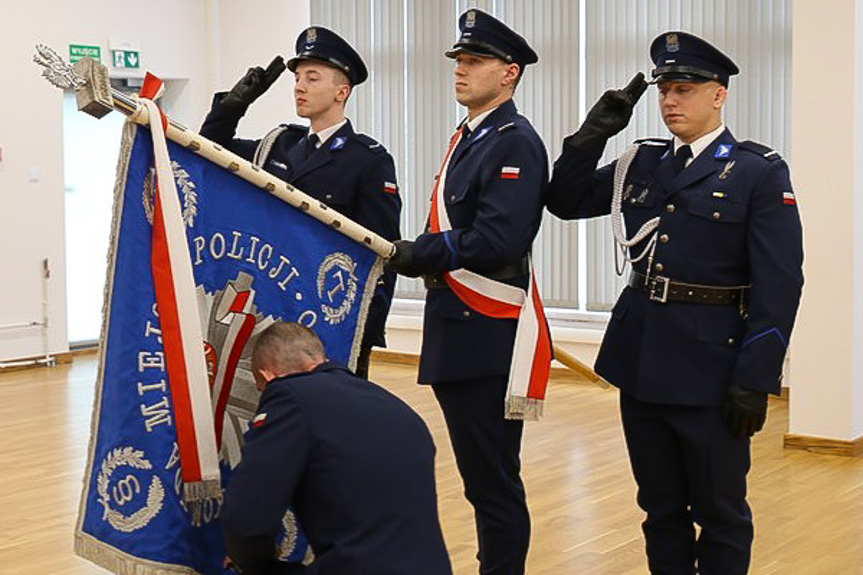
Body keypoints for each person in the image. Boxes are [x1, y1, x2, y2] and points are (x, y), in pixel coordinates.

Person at [546, 31, 804, 574]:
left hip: (713, 369)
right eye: (665, 91)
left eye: (684, 89)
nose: (670, 101)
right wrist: (592, 135)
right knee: (659, 507)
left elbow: (780, 285)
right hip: (642, 360)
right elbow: (565, 202)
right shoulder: (641, 160)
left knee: (720, 512)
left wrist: (755, 379)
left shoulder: (758, 171)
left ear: (719, 95)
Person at [387, 9, 549, 575]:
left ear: (509, 73)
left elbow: (499, 239)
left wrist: (421, 253)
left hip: (485, 330)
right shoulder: (471, 135)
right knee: (480, 479)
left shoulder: (515, 141)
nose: (461, 69)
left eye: (474, 61)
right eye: (459, 60)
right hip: (457, 326)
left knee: (493, 481)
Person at [200, 27, 401, 379]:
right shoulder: (278, 145)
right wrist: (234, 106)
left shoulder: (367, 160)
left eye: (312, 77)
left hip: (330, 313)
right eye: (297, 77)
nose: (299, 86)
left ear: (342, 91)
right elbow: (210, 150)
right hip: (274, 306)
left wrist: (365, 326)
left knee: (335, 414)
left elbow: (381, 251)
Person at [221, 321, 452, 575]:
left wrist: (256, 565)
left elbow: (247, 517)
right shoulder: (397, 406)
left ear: (268, 376)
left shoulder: (289, 397)